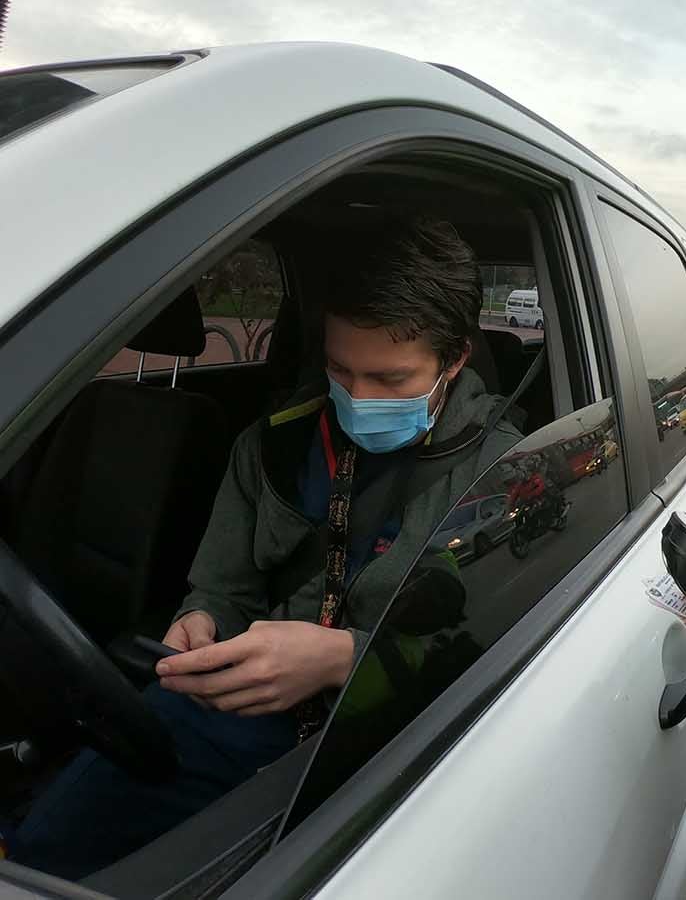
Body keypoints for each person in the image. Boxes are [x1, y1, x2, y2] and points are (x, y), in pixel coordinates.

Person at [6, 216, 523, 879]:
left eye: (390, 380)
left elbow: (497, 644)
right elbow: (222, 588)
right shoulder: (274, 445)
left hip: (395, 748)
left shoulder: (501, 471)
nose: (357, 399)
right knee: (48, 848)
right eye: (340, 368)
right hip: (242, 715)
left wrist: (343, 657)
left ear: (453, 358)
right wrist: (203, 621)